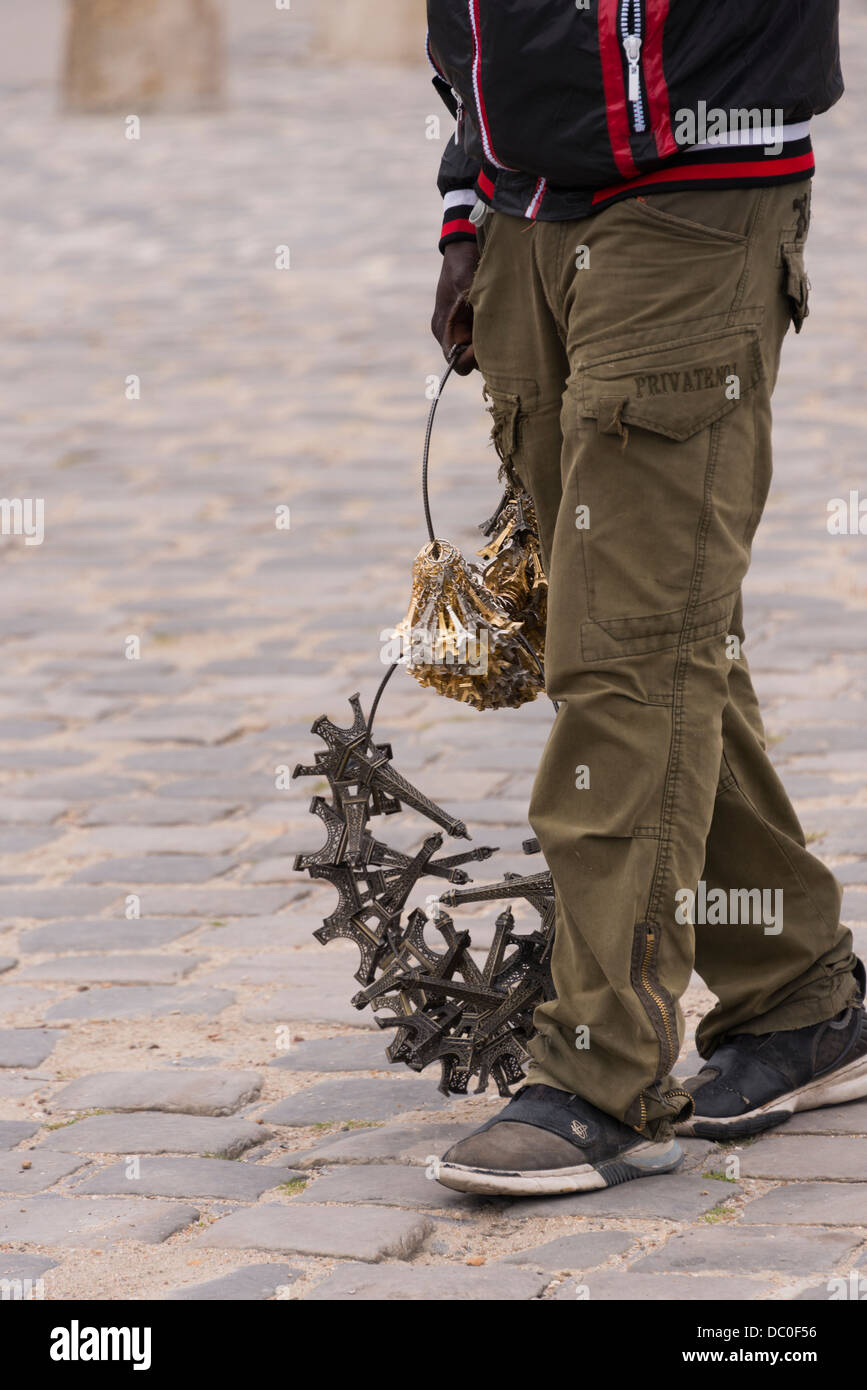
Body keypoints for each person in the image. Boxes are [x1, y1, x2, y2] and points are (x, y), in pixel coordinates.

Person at [425, 0, 867, 1198]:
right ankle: (798, 996)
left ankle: (603, 1073)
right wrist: (468, 196)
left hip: (697, 198)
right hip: (526, 210)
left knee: (626, 648)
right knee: (656, 629)